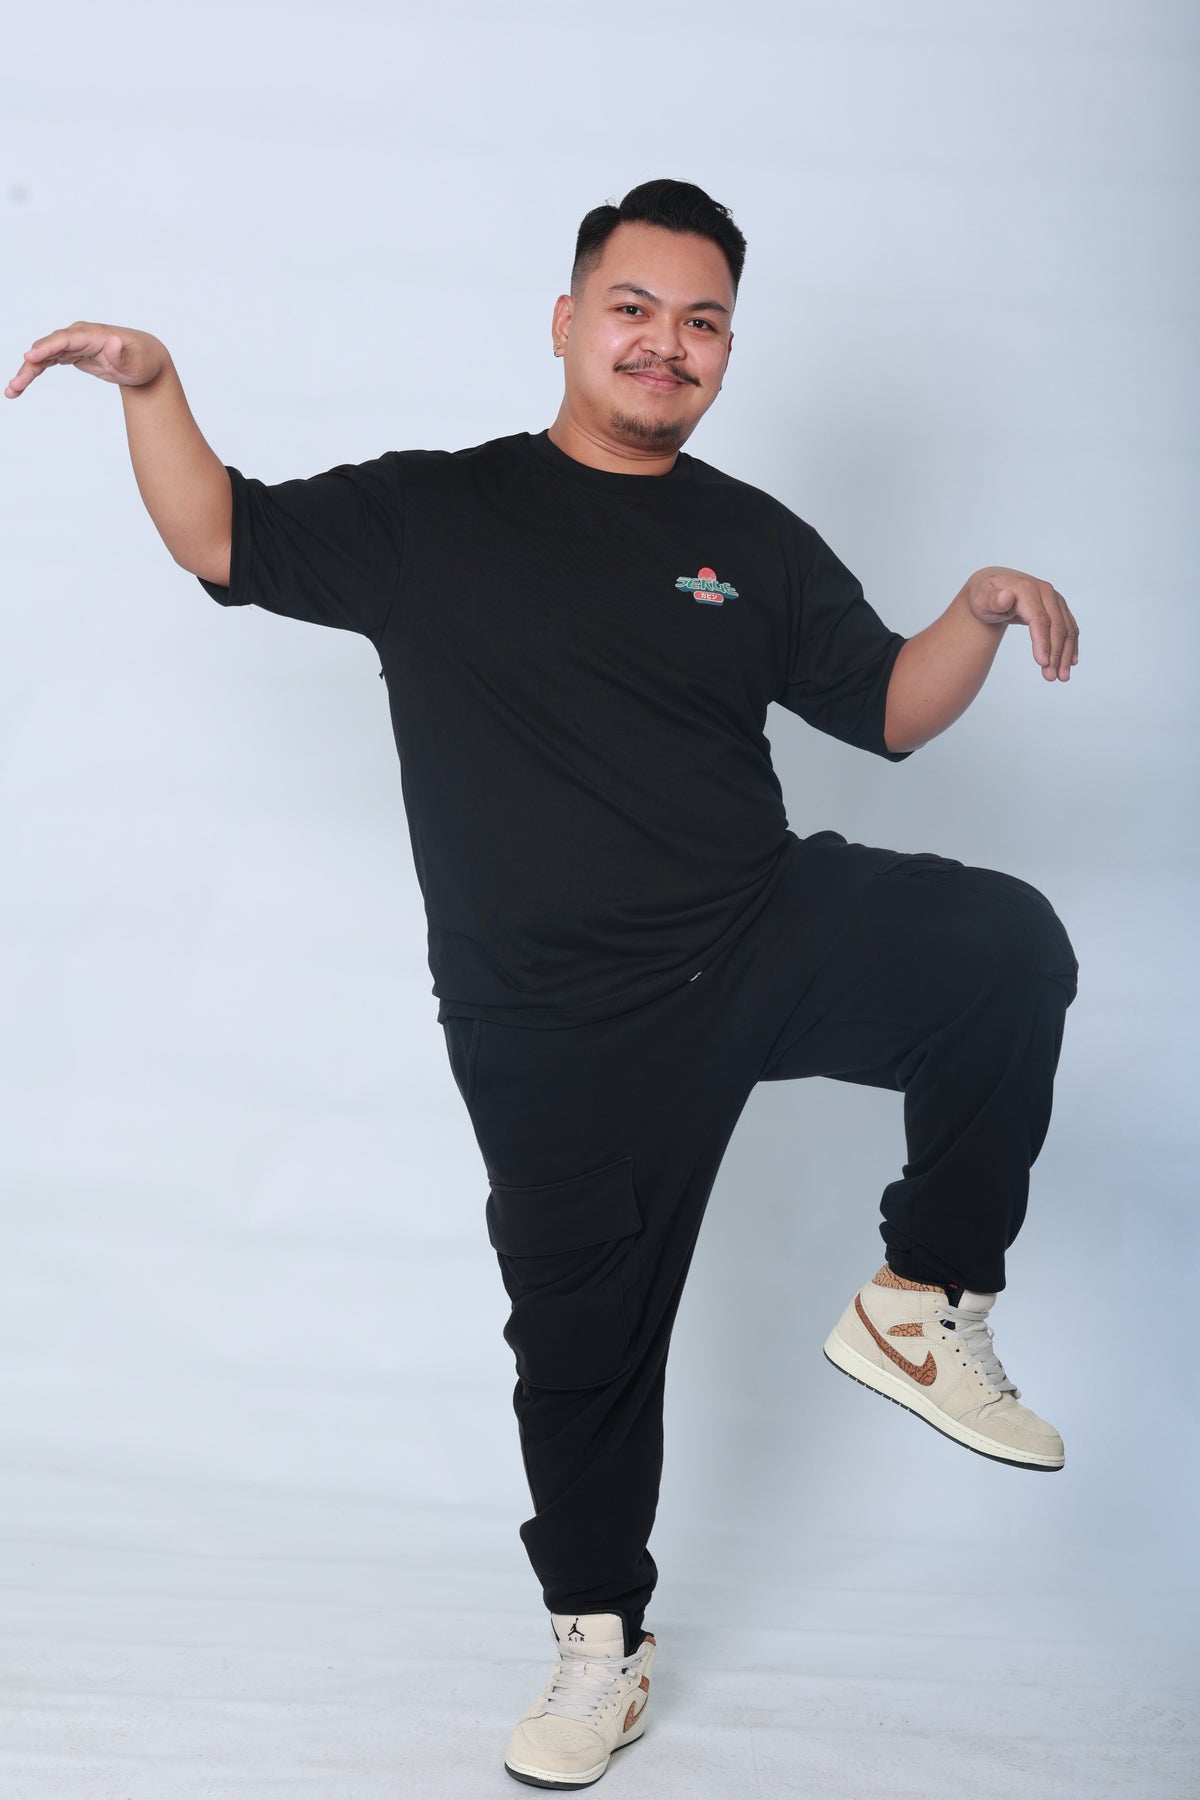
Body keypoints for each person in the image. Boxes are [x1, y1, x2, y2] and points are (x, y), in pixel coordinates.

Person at [6, 176, 1080, 1793]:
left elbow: (890, 710)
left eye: (702, 321)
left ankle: (924, 1299)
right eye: (634, 309)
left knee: (1003, 947)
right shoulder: (434, 513)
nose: (666, 343)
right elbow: (220, 533)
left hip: (756, 927)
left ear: (726, 350)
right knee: (582, 1357)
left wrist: (978, 612)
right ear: (570, 323)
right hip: (553, 1022)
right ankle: (600, 1642)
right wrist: (153, 387)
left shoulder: (750, 540)